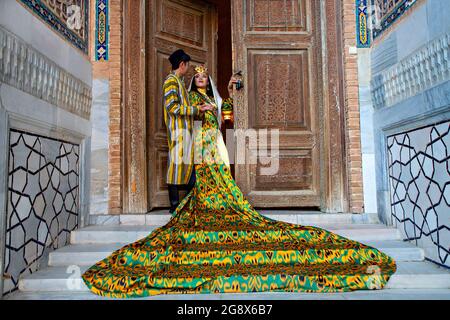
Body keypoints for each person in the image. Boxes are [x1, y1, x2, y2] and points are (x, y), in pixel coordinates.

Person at [81, 64, 396, 298]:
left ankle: (222, 203)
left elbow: (228, 117)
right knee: (205, 179)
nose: (202, 80)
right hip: (197, 140)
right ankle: (204, 203)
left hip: (214, 139)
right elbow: (181, 113)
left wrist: (228, 94)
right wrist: (198, 108)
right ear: (193, 79)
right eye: (199, 77)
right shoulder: (190, 97)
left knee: (221, 175)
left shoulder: (215, 99)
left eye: (206, 77)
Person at [162, 49, 213, 214]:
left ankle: (188, 202)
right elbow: (172, 107)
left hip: (185, 130)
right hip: (178, 130)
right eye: (187, 65)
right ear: (182, 64)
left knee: (188, 164)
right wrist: (196, 109)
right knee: (176, 165)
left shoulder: (179, 81)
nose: (188, 68)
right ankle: (174, 205)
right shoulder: (171, 81)